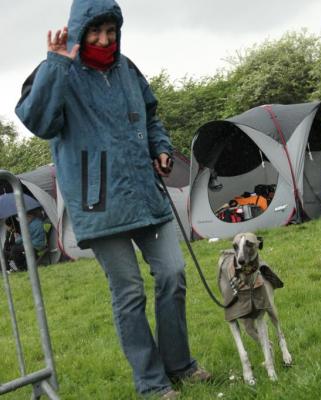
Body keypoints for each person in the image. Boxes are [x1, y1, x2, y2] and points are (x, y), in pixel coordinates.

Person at [15, 0, 210, 398]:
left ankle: (180, 366)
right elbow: (38, 122)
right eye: (94, 32)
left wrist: (161, 147)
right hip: (98, 203)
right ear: (78, 31)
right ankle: (152, 383)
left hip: (144, 192)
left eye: (110, 31)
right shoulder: (58, 69)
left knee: (173, 274)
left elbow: (151, 114)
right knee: (129, 292)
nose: (104, 40)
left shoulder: (127, 69)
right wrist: (54, 66)